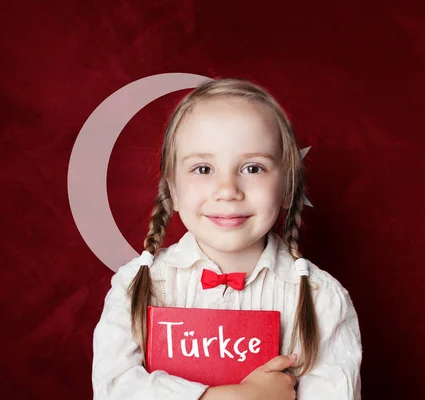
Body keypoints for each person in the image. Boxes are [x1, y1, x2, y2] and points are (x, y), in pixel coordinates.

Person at [92, 78, 362, 399]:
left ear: (288, 186)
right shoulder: (136, 284)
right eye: (203, 169)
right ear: (173, 191)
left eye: (252, 168)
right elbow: (114, 388)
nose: (227, 190)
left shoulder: (322, 300)